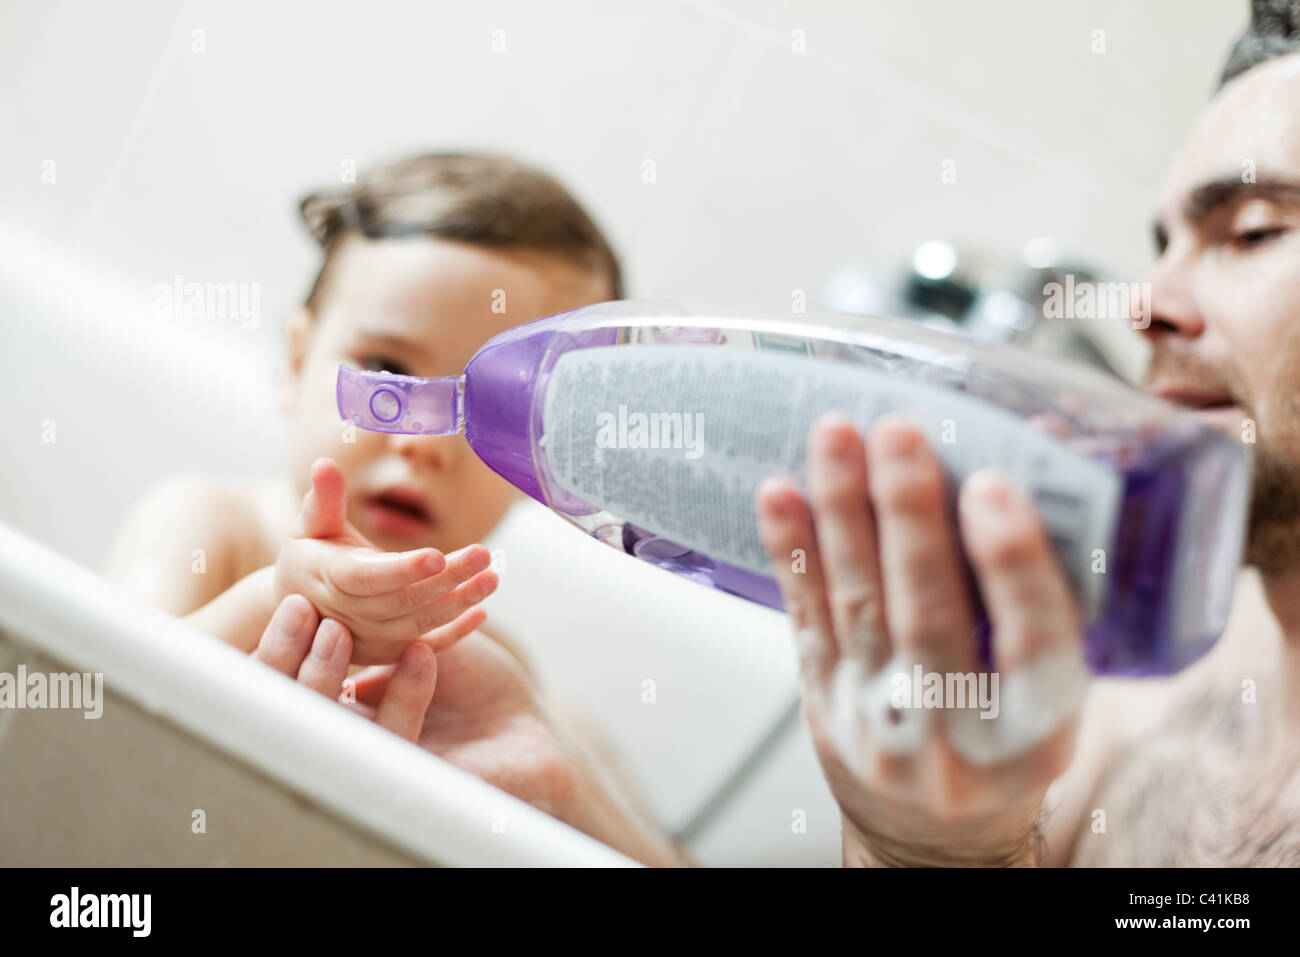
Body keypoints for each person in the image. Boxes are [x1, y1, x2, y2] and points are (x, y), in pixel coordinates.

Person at [754, 1, 1300, 866]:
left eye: (1252, 230)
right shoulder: (1166, 666)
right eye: (1163, 246)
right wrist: (923, 848)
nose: (1143, 302)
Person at [106, 152, 686, 866]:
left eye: (494, 404)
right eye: (388, 372)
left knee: (575, 732)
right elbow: (100, 701)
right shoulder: (209, 528)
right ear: (297, 362)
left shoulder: (486, 662)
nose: (425, 444)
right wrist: (273, 600)